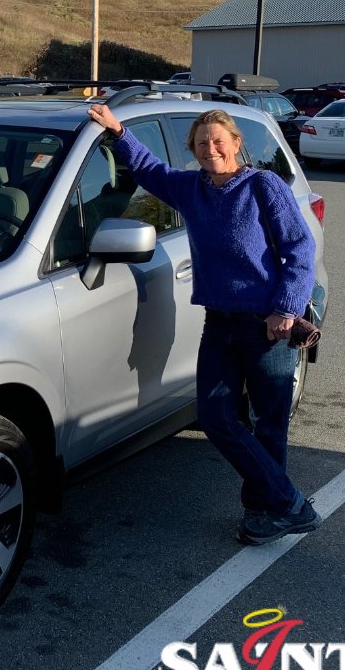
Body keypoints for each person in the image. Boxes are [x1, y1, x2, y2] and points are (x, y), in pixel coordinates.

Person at [87, 102, 320, 545]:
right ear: (193, 150)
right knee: (215, 418)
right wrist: (118, 132)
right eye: (201, 143)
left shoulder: (263, 185)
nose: (210, 148)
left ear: (236, 144)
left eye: (218, 140)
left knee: (267, 421)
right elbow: (150, 170)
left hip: (266, 324)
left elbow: (298, 248)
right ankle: (290, 503)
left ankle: (264, 511)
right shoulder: (192, 189)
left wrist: (286, 308)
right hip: (219, 322)